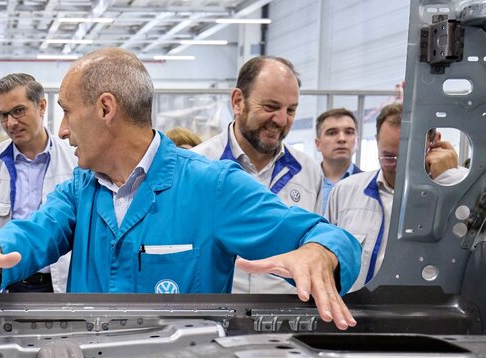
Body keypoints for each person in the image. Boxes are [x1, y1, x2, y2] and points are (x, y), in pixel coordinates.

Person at [0, 48, 360, 331]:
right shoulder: (81, 189)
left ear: (106, 109)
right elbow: (33, 232)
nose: (62, 131)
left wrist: (322, 252)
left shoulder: (211, 186)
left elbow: (327, 236)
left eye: (67, 112)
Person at [192, 56, 324, 295]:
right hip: (216, 312)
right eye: (271, 107)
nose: (281, 120)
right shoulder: (198, 166)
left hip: (286, 315)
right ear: (238, 101)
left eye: (291, 110)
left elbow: (313, 243)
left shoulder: (308, 171)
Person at [326, 104, 467, 292]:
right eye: (389, 157)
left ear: (436, 142)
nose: (400, 168)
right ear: (376, 141)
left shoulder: (466, 189)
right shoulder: (346, 192)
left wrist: (449, 180)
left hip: (430, 315)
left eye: (411, 158)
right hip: (355, 314)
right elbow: (327, 256)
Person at [0, 73, 77, 293]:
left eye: (19, 111)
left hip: (58, 286)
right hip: (4, 288)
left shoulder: (75, 160)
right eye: (3, 115)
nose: (11, 123)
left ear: (41, 106)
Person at [314, 108, 363, 211]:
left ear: (357, 141)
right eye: (332, 133)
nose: (342, 139)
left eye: (349, 132)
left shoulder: (369, 186)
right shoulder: (304, 182)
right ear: (318, 144)